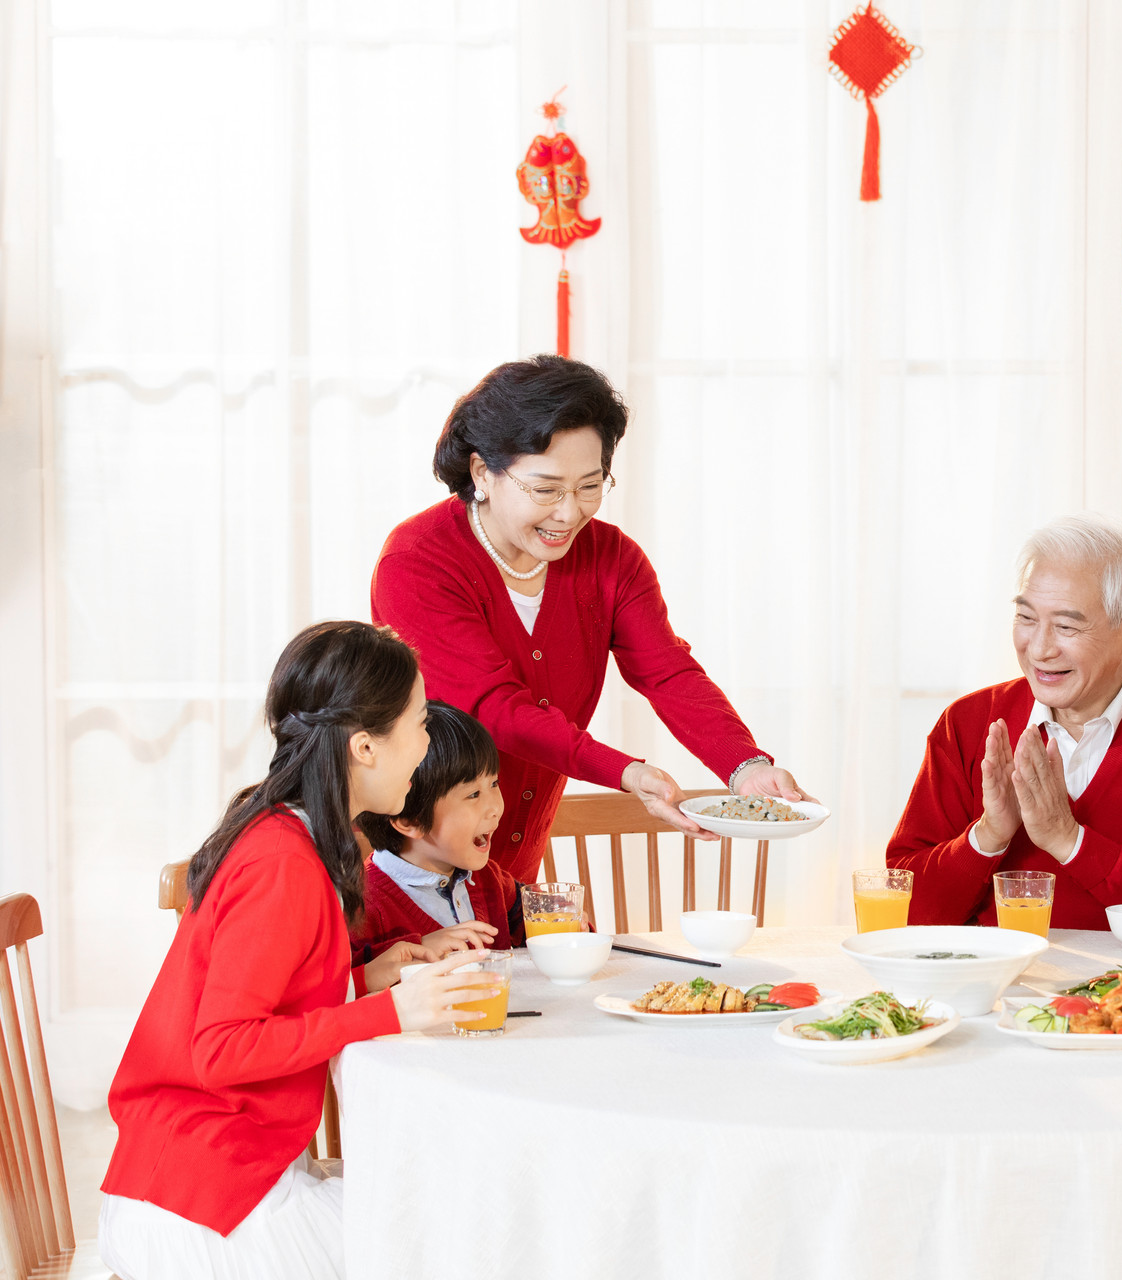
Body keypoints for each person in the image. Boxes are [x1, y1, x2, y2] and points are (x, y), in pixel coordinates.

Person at [98, 621, 502, 1279]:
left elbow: (271, 998)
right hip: (202, 1202)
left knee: (448, 1221)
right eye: (422, 723)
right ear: (366, 747)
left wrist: (367, 978)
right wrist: (392, 1013)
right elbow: (224, 1048)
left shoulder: (289, 834)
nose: (427, 744)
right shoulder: (282, 862)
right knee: (461, 1236)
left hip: (209, 1177)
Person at [372, 355, 809, 884]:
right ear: (482, 471)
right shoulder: (419, 561)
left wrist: (746, 766)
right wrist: (624, 771)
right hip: (411, 860)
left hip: (512, 862)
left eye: (589, 485)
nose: (569, 512)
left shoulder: (612, 559)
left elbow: (667, 671)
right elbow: (495, 708)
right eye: (546, 489)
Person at [887, 515, 1122, 933]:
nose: (1039, 649)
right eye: (1026, 618)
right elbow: (907, 907)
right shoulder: (969, 722)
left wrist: (1068, 840)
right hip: (1000, 989)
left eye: (1065, 626)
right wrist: (988, 836)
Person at [352, 701, 522, 965]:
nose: (495, 808)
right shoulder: (362, 907)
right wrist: (414, 951)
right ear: (411, 820)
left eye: (494, 783)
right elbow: (344, 987)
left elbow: (538, 926)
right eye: (473, 794)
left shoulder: (488, 879)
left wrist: (571, 929)